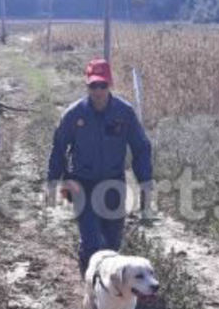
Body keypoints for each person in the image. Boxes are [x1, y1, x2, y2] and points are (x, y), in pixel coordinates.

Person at [47, 58, 153, 273]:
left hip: (113, 183)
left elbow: (141, 148)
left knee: (112, 244)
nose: (98, 91)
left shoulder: (124, 113)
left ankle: (98, 272)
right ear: (87, 86)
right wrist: (52, 182)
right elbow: (58, 147)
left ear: (109, 84)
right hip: (81, 183)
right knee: (93, 241)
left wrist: (145, 182)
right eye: (93, 85)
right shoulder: (74, 114)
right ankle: (92, 285)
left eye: (102, 85)